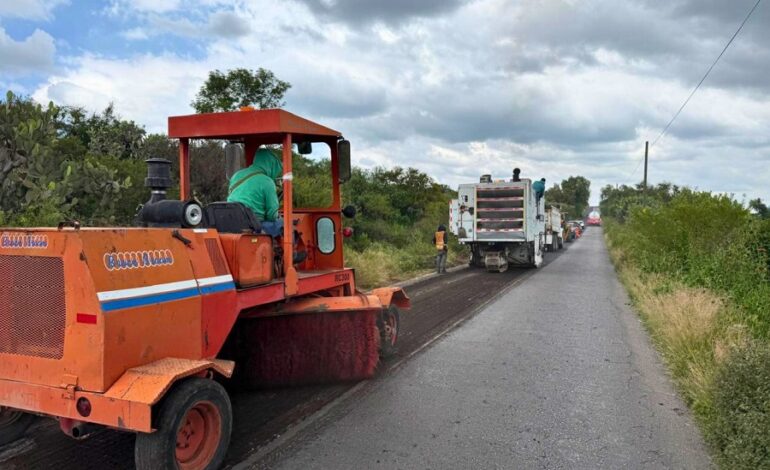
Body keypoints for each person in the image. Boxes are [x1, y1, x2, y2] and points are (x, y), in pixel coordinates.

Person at [227, 148, 284, 237]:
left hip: (231, 221)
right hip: (253, 225)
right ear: (271, 166)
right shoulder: (267, 181)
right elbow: (272, 215)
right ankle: (288, 250)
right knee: (283, 224)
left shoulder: (236, 175)